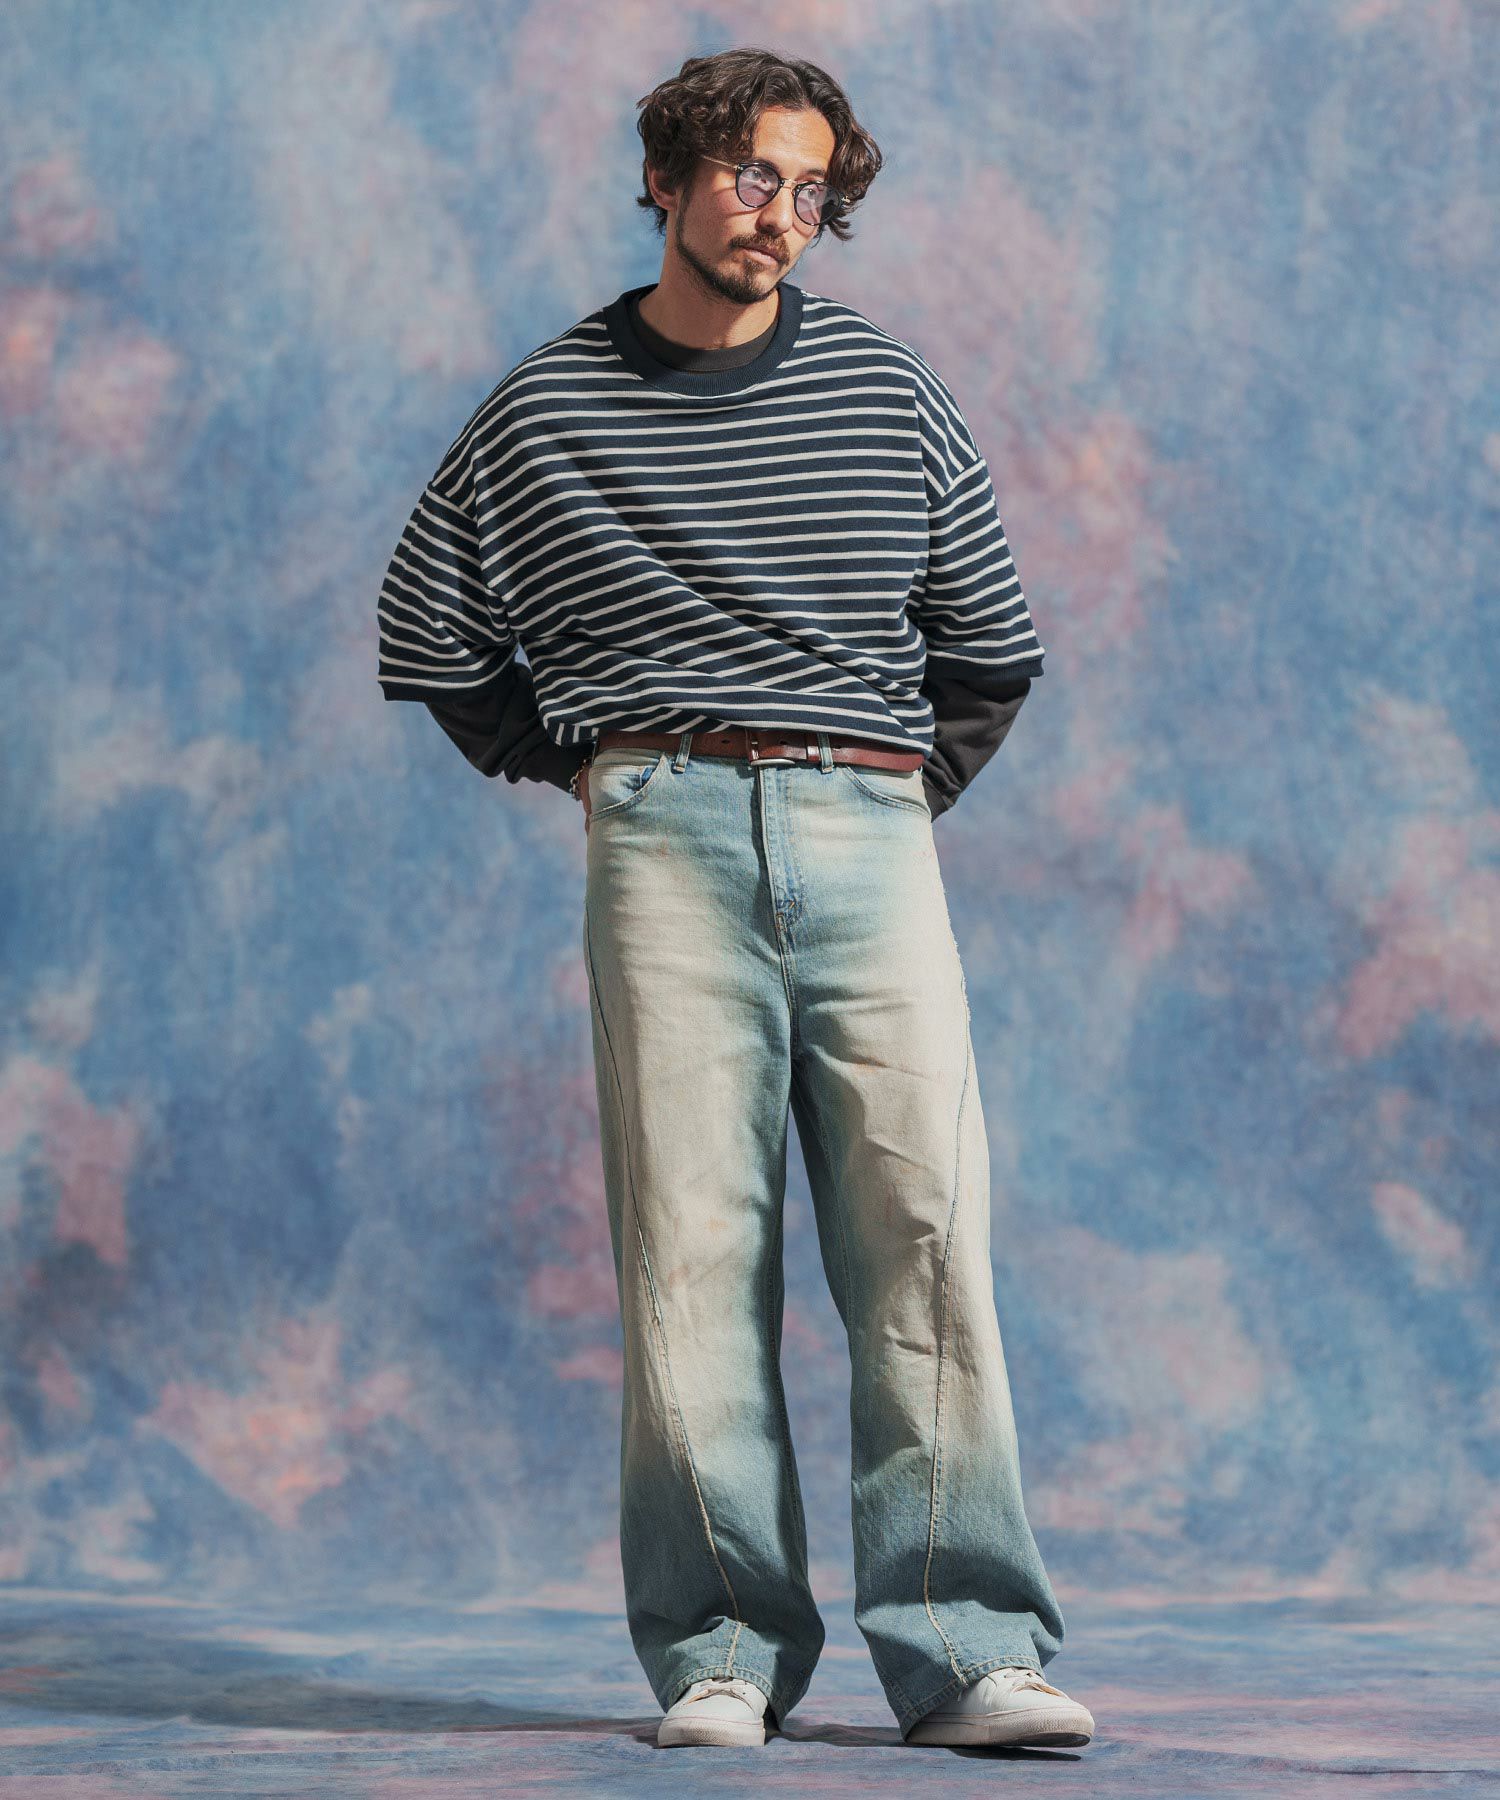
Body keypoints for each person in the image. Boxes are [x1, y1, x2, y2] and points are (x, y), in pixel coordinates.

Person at [375, 46, 1095, 1755]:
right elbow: (429, 627)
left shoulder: (888, 393)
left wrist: (886, 796)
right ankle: (719, 1655)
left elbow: (991, 647)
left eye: (811, 190)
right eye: (753, 175)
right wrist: (588, 770)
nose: (781, 214)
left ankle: (969, 1651)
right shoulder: (547, 409)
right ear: (668, 177)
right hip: (664, 831)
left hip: (869, 828)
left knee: (923, 1233)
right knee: (691, 1251)